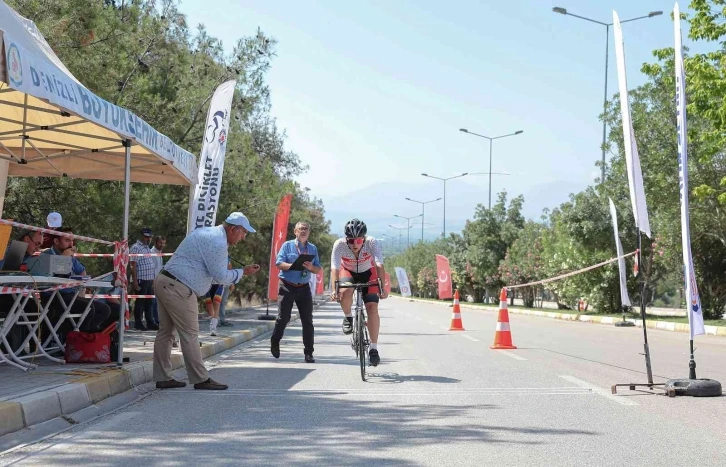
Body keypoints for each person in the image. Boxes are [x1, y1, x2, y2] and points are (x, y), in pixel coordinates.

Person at [153, 212, 260, 391]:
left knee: (166, 332)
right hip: (179, 287)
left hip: (165, 281)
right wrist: (243, 272)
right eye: (243, 232)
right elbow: (221, 276)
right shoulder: (218, 243)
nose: (244, 237)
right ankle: (200, 379)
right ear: (233, 229)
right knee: (190, 334)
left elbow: (212, 274)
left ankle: (163, 377)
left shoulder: (207, 233)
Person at [329, 219, 388, 366]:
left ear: (364, 238)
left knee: (372, 308)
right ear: (346, 239)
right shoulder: (339, 245)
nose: (355, 244)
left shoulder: (372, 242)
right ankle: (348, 317)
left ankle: (373, 349)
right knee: (346, 289)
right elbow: (334, 269)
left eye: (359, 240)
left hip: (369, 272)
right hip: (347, 271)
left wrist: (383, 288)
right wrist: (334, 290)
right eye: (351, 240)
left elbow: (379, 264)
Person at [42, 227, 111, 335]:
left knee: (104, 309)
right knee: (88, 308)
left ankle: (86, 337)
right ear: (56, 241)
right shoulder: (46, 256)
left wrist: (81, 291)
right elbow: (59, 278)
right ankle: (79, 340)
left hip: (70, 296)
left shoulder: (69, 256)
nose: (71, 244)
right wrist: (64, 258)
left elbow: (82, 271)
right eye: (67, 240)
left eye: (72, 240)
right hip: (53, 297)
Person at [271, 221, 322, 363]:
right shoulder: (287, 246)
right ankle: (275, 340)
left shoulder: (312, 248)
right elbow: (278, 263)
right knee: (283, 318)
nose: (304, 231)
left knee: (307, 320)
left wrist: (311, 267)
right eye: (301, 229)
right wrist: (294, 266)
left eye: (306, 229)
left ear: (309, 232)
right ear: (295, 231)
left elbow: (317, 269)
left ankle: (309, 353)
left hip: (304, 287)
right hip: (287, 286)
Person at [129, 228, 158, 331]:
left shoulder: (147, 248)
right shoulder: (136, 248)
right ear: (142, 236)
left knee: (149, 302)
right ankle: (138, 323)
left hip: (149, 279)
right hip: (141, 279)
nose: (148, 239)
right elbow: (133, 265)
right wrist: (135, 280)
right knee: (140, 302)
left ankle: (150, 322)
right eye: (146, 236)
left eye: (149, 237)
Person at [150, 235, 166, 326]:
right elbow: (152, 269)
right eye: (160, 243)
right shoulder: (152, 253)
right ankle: (155, 321)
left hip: (159, 281)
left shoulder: (160, 253)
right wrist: (153, 282)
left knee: (157, 302)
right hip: (153, 280)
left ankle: (158, 320)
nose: (162, 245)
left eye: (163, 243)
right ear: (155, 242)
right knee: (153, 302)